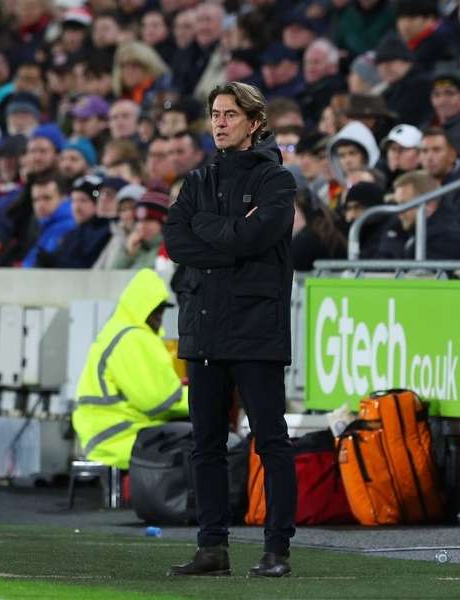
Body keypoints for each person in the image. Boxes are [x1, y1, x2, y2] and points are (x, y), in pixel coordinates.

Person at [164, 81, 296, 578]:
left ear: (254, 121)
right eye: (215, 114)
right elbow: (177, 240)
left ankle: (277, 547)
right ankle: (212, 547)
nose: (219, 122)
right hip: (204, 327)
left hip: (255, 327)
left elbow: (258, 235)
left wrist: (211, 232)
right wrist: (230, 236)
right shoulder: (198, 180)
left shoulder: (277, 181)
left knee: (270, 439)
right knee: (206, 444)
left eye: (230, 114)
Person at [72, 268, 188, 468]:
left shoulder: (119, 332)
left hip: (107, 432)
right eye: (156, 308)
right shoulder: (133, 338)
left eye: (162, 309)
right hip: (121, 436)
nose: (160, 314)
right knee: (210, 443)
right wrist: (206, 397)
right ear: (143, 307)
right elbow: (160, 402)